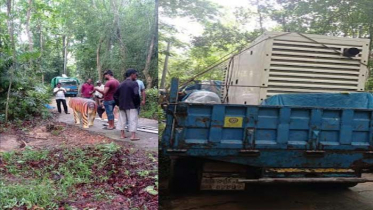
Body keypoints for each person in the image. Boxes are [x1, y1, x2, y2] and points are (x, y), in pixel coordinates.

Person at [114, 68, 140, 140]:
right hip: (132, 105)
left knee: (122, 119)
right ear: (132, 74)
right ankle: (133, 136)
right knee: (133, 119)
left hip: (122, 105)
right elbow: (136, 94)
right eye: (135, 74)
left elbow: (115, 95)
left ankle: (122, 135)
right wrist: (137, 104)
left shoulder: (121, 84)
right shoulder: (134, 83)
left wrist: (118, 103)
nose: (136, 76)